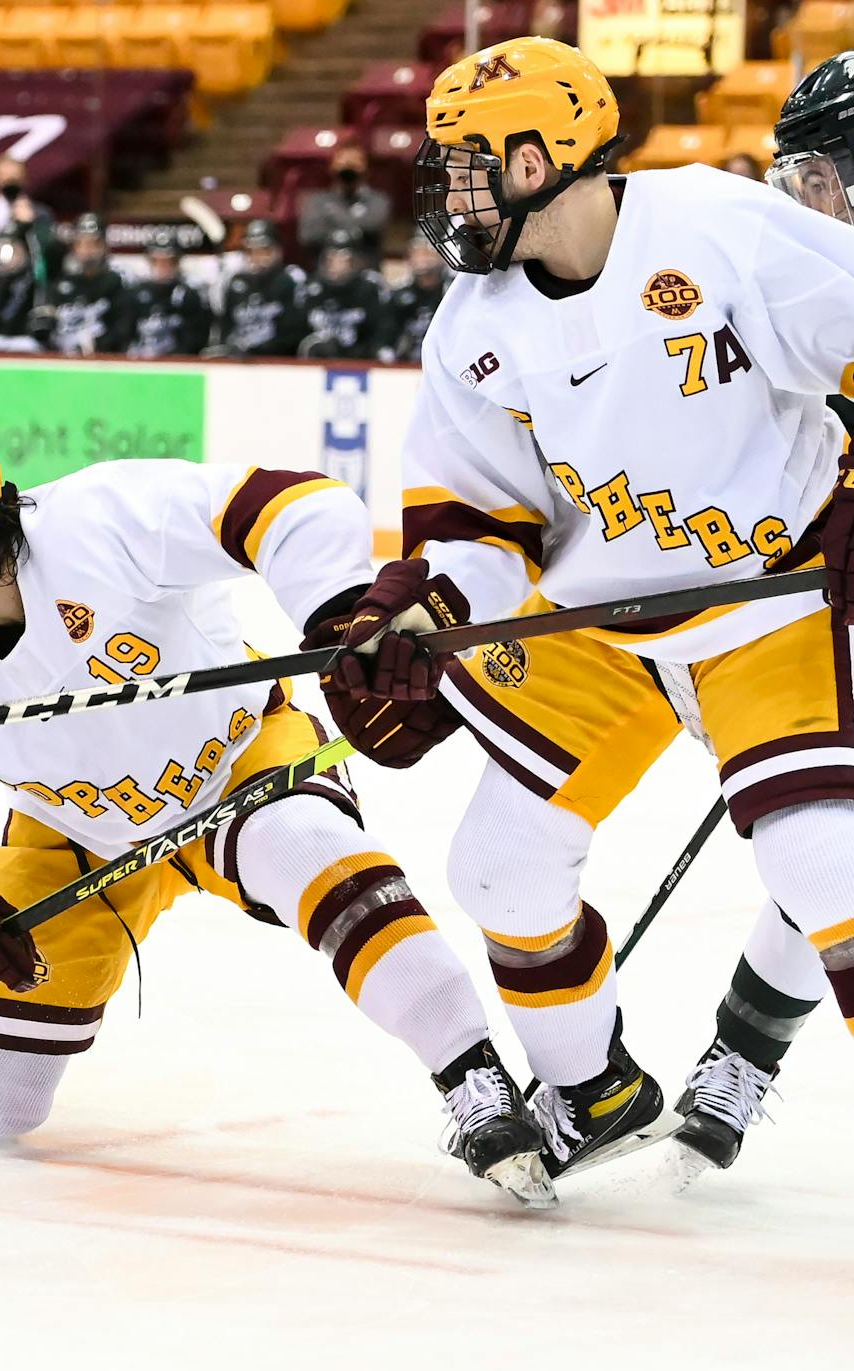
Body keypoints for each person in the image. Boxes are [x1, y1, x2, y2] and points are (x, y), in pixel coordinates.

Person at [324, 37, 854, 1188]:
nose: (447, 190)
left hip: (772, 592)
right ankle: (593, 1091)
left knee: (825, 861)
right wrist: (427, 612)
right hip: (603, 620)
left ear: (537, 160)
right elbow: (477, 523)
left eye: (468, 165)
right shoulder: (475, 324)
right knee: (498, 871)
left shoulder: (713, 224)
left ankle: (748, 1048)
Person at [0, 418, 550, 1204]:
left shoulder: (99, 521)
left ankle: (476, 1080)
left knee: (307, 842)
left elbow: (300, 506)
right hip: (74, 838)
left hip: (239, 762)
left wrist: (340, 614)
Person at [32, 213, 130, 356]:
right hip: (61, 358)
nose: (87, 250)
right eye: (81, 243)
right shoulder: (61, 283)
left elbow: (122, 330)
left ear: (104, 246)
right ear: (74, 247)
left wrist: (97, 345)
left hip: (101, 360)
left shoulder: (116, 283)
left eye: (94, 244)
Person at [215, 219, 307, 357]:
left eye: (264, 251)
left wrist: (255, 349)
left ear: (278, 251)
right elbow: (225, 328)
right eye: (250, 251)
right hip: (239, 361)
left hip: (279, 363)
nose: (257, 257)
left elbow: (295, 334)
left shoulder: (291, 280)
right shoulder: (236, 282)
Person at [296, 142, 390, 270]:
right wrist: (357, 231)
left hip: (365, 276)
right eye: (343, 162)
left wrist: (333, 215)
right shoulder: (316, 201)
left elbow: (374, 227)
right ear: (332, 168)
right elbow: (309, 236)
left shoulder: (378, 200)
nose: (348, 167)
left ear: (366, 168)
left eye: (354, 163)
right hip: (324, 276)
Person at [298, 231, 387, 360]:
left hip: (359, 361)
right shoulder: (311, 289)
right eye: (331, 258)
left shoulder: (369, 288)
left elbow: (378, 333)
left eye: (344, 259)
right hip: (316, 362)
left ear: (356, 260)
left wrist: (355, 354)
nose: (336, 264)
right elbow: (298, 333)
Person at [124, 239, 214, 358]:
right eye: (157, 261)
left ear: (177, 262)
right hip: (139, 361)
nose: (163, 267)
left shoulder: (190, 295)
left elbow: (198, 337)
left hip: (178, 363)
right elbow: (124, 332)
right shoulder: (135, 293)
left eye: (169, 261)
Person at [377, 233, 448, 363]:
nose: (423, 259)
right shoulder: (398, 295)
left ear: (441, 257)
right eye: (417, 254)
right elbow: (387, 335)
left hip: (446, 359)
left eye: (428, 253)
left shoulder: (451, 291)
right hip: (408, 362)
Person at [0, 230, 44, 352]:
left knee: (32, 345)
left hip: (22, 339)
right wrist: (4, 281)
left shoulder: (32, 280)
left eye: (15, 249)